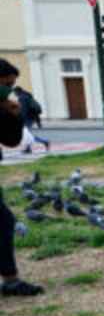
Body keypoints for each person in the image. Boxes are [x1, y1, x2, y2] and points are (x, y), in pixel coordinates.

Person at [0, 59, 45, 297]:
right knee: (4, 222)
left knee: (4, 222)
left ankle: (10, 281)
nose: (9, 90)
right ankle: (11, 281)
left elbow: (10, 141)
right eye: (6, 84)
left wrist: (14, 116)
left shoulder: (4, 105)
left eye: (12, 85)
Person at [16, 86, 50, 154]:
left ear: (17, 92)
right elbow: (33, 109)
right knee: (27, 134)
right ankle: (29, 148)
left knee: (26, 134)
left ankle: (44, 142)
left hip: (27, 119)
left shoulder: (22, 98)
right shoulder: (28, 96)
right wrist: (38, 122)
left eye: (15, 93)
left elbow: (23, 110)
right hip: (31, 118)